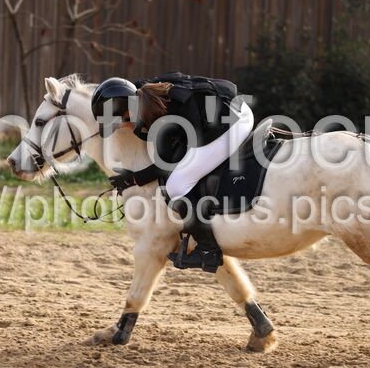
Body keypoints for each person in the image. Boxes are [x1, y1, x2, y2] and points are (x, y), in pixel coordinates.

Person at [91, 72, 254, 272]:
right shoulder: (144, 92)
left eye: (119, 122)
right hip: (232, 108)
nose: (121, 127)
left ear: (128, 110)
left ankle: (208, 250)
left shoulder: (161, 119)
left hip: (234, 124)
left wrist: (134, 178)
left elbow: (169, 164)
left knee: (177, 185)